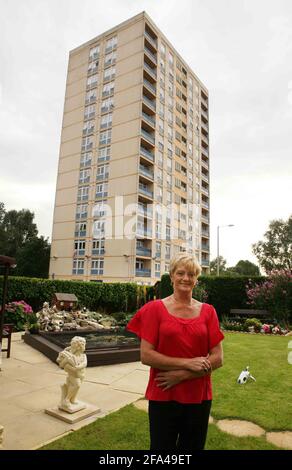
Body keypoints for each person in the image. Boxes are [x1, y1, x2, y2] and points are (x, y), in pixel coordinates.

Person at [126, 253, 224, 451]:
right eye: (180, 273)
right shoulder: (154, 309)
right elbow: (146, 355)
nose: (185, 278)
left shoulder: (208, 311)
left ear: (196, 279)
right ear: (171, 276)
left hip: (199, 396)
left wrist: (181, 375)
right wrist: (188, 363)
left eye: (191, 274)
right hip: (163, 393)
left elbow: (218, 358)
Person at [57, 336, 87, 411]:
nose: (82, 348)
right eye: (81, 346)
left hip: (81, 374)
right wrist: (73, 368)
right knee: (77, 385)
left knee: (77, 387)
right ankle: (66, 400)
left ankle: (73, 399)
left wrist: (79, 367)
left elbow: (85, 363)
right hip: (73, 375)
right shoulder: (69, 356)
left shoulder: (83, 355)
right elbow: (62, 365)